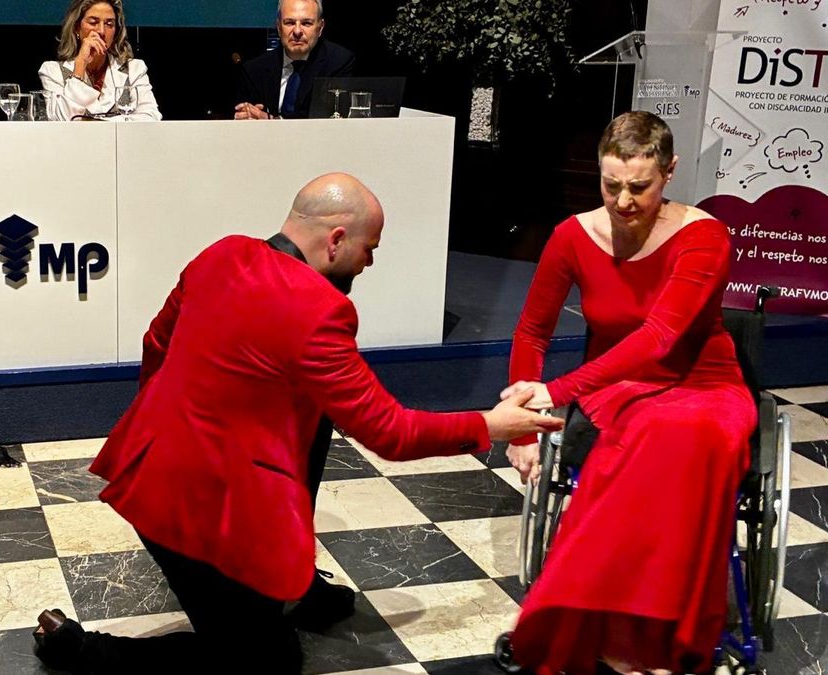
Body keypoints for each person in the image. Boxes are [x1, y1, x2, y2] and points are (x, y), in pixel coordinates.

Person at [32, 173, 562, 674]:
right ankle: (78, 648)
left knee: (314, 410)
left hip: (154, 466)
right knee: (264, 662)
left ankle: (301, 587)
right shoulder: (319, 310)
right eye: (369, 248)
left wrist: (173, 418)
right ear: (335, 240)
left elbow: (156, 343)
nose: (370, 262)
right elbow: (389, 433)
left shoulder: (222, 252)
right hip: (186, 504)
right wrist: (491, 425)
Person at [502, 111, 756, 675]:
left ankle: (651, 632)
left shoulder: (704, 235)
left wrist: (556, 391)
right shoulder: (573, 235)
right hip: (616, 388)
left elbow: (660, 337)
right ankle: (615, 625)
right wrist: (521, 417)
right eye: (610, 184)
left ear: (669, 173)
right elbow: (532, 330)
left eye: (639, 186)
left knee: (678, 436)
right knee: (638, 436)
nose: (623, 200)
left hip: (703, 386)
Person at [38, 0, 161, 122]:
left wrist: (101, 123)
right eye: (93, 22)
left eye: (109, 24)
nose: (101, 31)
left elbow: (151, 117)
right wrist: (80, 64)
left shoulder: (134, 69)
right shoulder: (52, 71)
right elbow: (62, 121)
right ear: (76, 28)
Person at [234, 0, 355, 120]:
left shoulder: (338, 62)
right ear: (279, 27)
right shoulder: (254, 70)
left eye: (306, 23)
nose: (297, 31)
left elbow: (328, 115)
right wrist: (247, 115)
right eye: (289, 23)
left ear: (320, 27)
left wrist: (272, 121)